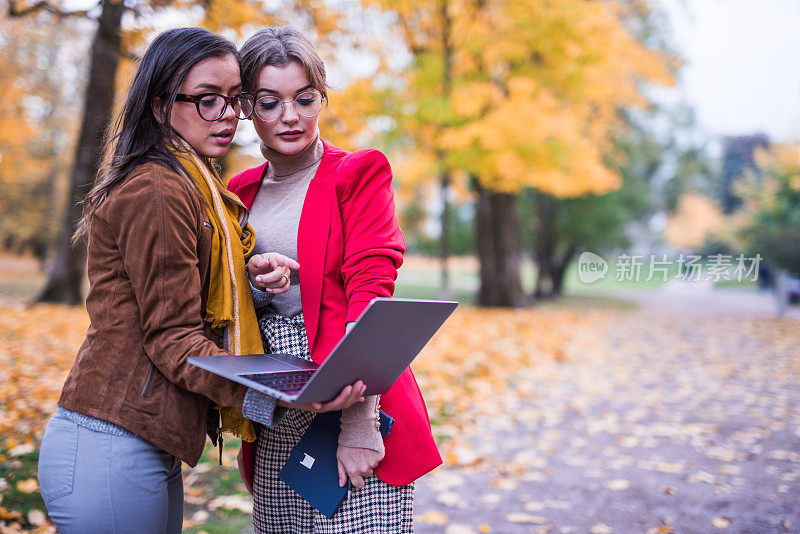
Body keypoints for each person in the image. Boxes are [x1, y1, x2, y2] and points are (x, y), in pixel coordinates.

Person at [36, 27, 364, 534]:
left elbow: (185, 295)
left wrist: (248, 278)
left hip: (143, 437)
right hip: (112, 439)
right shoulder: (161, 187)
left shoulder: (195, 182)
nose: (229, 115)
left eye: (236, 100)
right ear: (159, 105)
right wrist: (281, 389)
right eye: (208, 101)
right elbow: (175, 339)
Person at [228, 26, 442, 533]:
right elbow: (233, 299)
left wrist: (359, 422)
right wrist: (260, 281)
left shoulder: (357, 173)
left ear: (320, 96)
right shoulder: (239, 190)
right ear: (246, 108)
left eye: (305, 99)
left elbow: (372, 297)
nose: (290, 116)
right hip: (275, 399)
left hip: (348, 385)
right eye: (269, 102)